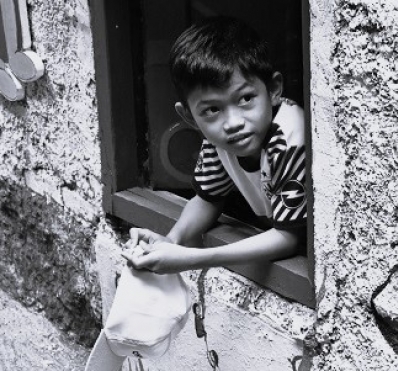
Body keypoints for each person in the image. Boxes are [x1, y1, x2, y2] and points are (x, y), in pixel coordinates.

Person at [124, 16, 307, 273]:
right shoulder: (220, 139)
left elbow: (289, 238)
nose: (232, 122)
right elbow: (208, 199)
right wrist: (171, 240)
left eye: (245, 98)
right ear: (189, 117)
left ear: (274, 89)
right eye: (211, 109)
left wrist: (189, 258)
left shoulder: (289, 141)